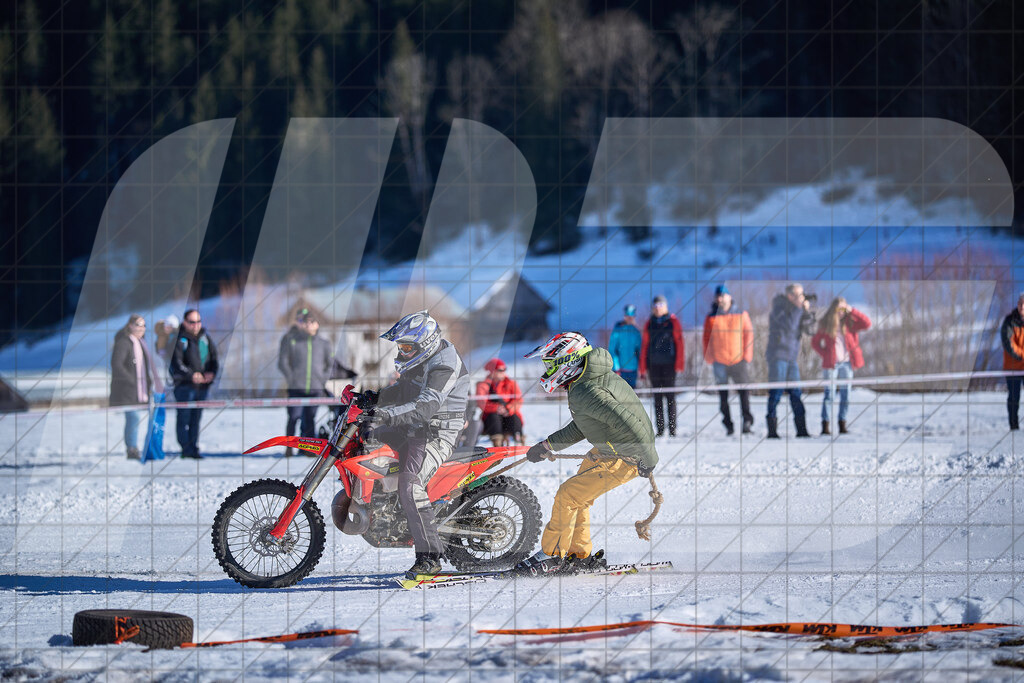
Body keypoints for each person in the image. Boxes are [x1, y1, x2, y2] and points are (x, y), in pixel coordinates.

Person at [515, 332, 658, 575]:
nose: (547, 371)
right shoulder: (588, 381)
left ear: (566, 362)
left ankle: (552, 555)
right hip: (610, 449)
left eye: (550, 365)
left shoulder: (588, 390)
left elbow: (627, 421)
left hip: (625, 457)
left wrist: (648, 458)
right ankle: (578, 554)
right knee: (576, 498)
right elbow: (584, 424)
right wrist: (548, 445)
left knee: (568, 495)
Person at [371, 310, 470, 579]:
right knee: (368, 441)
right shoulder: (419, 359)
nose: (402, 353)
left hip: (436, 432)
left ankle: (430, 558)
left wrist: (386, 413)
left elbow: (425, 406)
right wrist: (371, 399)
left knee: (410, 484)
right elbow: (402, 391)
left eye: (406, 347)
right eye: (400, 347)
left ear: (423, 344)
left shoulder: (443, 365)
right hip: (413, 426)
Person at [278, 308, 334, 457]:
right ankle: (289, 446)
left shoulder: (324, 343)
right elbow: (282, 362)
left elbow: (329, 364)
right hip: (296, 388)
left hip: (315, 388)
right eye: (304, 321)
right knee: (294, 417)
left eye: (311, 322)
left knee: (310, 418)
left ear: (317, 324)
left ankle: (308, 448)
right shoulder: (292, 340)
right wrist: (292, 378)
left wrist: (322, 379)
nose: (308, 324)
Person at [811, 297, 871, 436]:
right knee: (829, 395)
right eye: (839, 309)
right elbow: (815, 343)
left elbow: (867, 324)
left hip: (847, 363)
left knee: (846, 395)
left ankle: (842, 424)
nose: (841, 312)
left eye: (844, 309)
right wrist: (825, 354)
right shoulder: (825, 324)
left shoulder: (850, 323)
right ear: (833, 309)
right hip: (831, 365)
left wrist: (852, 311)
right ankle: (825, 426)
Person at [702, 284, 754, 435]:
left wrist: (747, 355)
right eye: (718, 296)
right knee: (723, 397)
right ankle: (728, 424)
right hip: (719, 362)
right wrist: (709, 357)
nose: (720, 298)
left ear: (729, 297)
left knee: (744, 393)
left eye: (723, 295)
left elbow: (748, 334)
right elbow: (706, 339)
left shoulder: (741, 314)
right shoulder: (711, 317)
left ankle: (747, 422)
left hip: (739, 360)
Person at [765, 283, 815, 439]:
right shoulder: (779, 308)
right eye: (799, 295)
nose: (802, 298)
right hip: (777, 357)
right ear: (790, 296)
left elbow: (810, 330)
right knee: (776, 394)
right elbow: (789, 325)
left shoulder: (798, 310)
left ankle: (802, 430)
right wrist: (800, 308)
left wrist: (807, 311)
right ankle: (772, 431)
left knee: (796, 393)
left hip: (792, 358)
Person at [169, 308, 218, 459]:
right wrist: (191, 375)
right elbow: (176, 364)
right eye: (192, 322)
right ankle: (186, 448)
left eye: (198, 321)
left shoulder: (206, 339)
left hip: (202, 387)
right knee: (184, 418)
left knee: (196, 419)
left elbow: (214, 359)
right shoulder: (179, 340)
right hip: (184, 387)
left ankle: (194, 447)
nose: (195, 325)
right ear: (185, 322)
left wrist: (211, 373)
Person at [110, 314, 155, 460]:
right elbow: (117, 365)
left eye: (143, 325)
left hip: (140, 389)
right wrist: (131, 381)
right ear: (130, 325)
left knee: (137, 419)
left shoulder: (141, 343)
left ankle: (137, 446)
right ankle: (132, 448)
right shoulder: (124, 342)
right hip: (127, 390)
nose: (141, 328)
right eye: (138, 325)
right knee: (133, 417)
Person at [639, 295, 685, 437]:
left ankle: (672, 429)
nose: (658, 308)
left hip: (669, 365)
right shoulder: (649, 323)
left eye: (661, 305)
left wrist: (679, 363)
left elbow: (679, 343)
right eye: (656, 306)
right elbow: (645, 345)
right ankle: (660, 429)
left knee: (670, 397)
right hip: (653, 366)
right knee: (657, 398)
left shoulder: (673, 322)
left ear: (665, 306)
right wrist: (642, 367)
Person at [475, 358, 524, 447]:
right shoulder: (483, 385)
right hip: (491, 419)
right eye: (500, 370)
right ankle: (497, 443)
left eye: (504, 369)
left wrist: (508, 409)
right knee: (493, 418)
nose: (503, 372)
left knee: (514, 417)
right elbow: (481, 403)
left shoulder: (511, 383)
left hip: (509, 414)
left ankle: (519, 440)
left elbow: (519, 400)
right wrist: (496, 408)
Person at [1000, 293, 1024, 430]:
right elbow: (1008, 343)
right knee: (1014, 398)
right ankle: (1014, 426)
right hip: (1013, 367)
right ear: (1017, 304)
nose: (1022, 306)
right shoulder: (1009, 321)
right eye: (1020, 303)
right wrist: (1022, 355)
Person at [609, 304, 642, 388]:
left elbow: (639, 351)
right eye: (628, 316)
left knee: (632, 395)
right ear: (625, 316)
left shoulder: (636, 332)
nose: (630, 319)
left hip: (633, 370)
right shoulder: (617, 331)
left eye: (632, 316)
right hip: (620, 370)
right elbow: (612, 350)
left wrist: (641, 368)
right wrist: (616, 368)